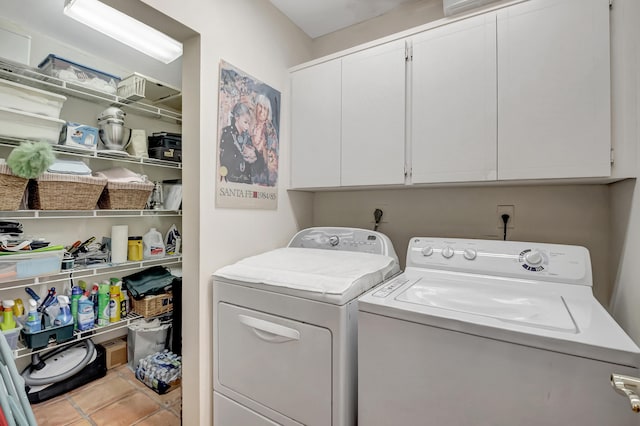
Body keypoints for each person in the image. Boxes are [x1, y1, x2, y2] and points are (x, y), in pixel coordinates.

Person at [219, 103, 260, 184]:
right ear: (237, 117)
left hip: (246, 181)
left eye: (249, 123)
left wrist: (254, 155)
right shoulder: (226, 133)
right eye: (245, 122)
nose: (248, 126)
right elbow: (224, 160)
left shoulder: (247, 136)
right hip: (230, 181)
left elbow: (256, 161)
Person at [251, 94, 279, 186]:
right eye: (260, 106)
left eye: (265, 108)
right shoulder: (251, 126)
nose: (262, 111)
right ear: (255, 107)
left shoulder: (269, 130)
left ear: (268, 113)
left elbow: (271, 159)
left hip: (263, 176)